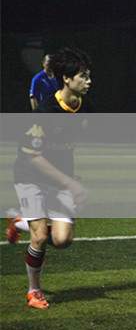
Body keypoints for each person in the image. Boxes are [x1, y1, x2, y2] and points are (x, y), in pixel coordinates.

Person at [5, 47, 92, 309]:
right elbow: (32, 157)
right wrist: (71, 183)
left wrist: (70, 176)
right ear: (67, 78)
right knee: (41, 236)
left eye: (89, 76)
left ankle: (20, 221)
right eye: (83, 76)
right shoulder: (45, 113)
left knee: (62, 240)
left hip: (59, 179)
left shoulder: (83, 108)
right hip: (29, 176)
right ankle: (34, 291)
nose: (89, 81)